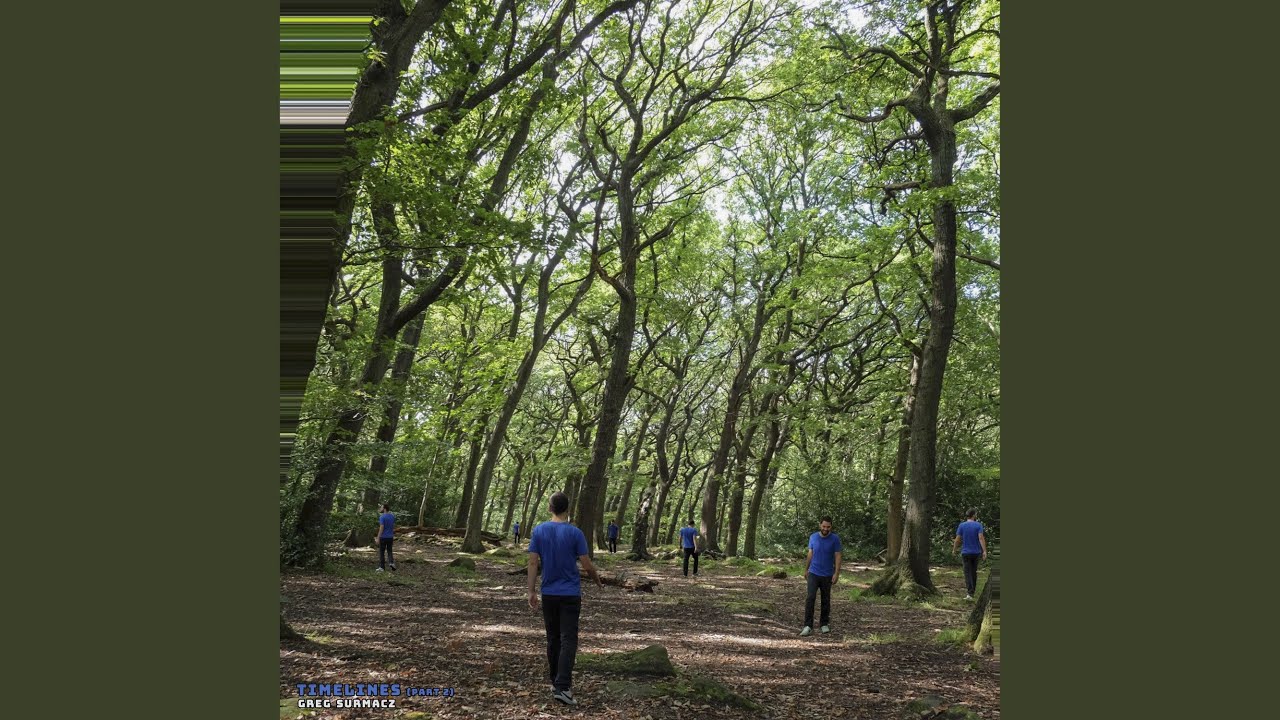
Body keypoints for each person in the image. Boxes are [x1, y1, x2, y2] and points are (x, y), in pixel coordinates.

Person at [528, 492, 601, 707]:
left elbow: (533, 563)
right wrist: (596, 579)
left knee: (553, 638)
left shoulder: (539, 530)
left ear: (550, 508)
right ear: (567, 509)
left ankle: (556, 682)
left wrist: (531, 590)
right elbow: (586, 564)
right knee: (568, 639)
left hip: (549, 593)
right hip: (570, 594)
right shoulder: (575, 533)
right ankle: (562, 687)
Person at [800, 516, 842, 636]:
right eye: (824, 526)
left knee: (825, 599)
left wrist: (836, 573)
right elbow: (810, 553)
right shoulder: (813, 537)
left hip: (827, 574)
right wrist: (806, 569)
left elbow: (838, 556)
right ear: (820, 525)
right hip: (813, 573)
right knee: (810, 598)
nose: (825, 529)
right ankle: (808, 625)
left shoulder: (835, 539)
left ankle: (824, 624)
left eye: (828, 527)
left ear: (831, 527)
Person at [952, 508, 987, 600]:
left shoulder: (962, 525)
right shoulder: (978, 525)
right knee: (973, 572)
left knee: (967, 573)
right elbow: (981, 538)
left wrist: (954, 550)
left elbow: (957, 539)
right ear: (973, 515)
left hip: (966, 553)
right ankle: (972, 592)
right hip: (976, 553)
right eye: (976, 514)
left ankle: (970, 594)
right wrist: (984, 551)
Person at [375, 503, 396, 572]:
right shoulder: (392, 516)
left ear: (384, 509)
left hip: (383, 537)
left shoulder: (382, 517)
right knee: (389, 551)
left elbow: (381, 527)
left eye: (381, 507)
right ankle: (391, 562)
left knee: (382, 552)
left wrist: (378, 537)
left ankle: (382, 567)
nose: (380, 508)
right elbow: (393, 526)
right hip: (390, 537)